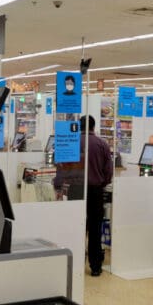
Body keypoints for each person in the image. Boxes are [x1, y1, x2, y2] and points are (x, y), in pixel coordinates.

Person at [53, 115, 113, 276]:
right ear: (94, 127)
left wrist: (58, 187)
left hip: (74, 190)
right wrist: (102, 183)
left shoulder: (71, 142)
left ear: (79, 126)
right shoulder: (102, 144)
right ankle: (95, 266)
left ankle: (75, 263)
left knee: (75, 226)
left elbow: (61, 167)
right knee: (95, 229)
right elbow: (109, 171)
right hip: (95, 191)